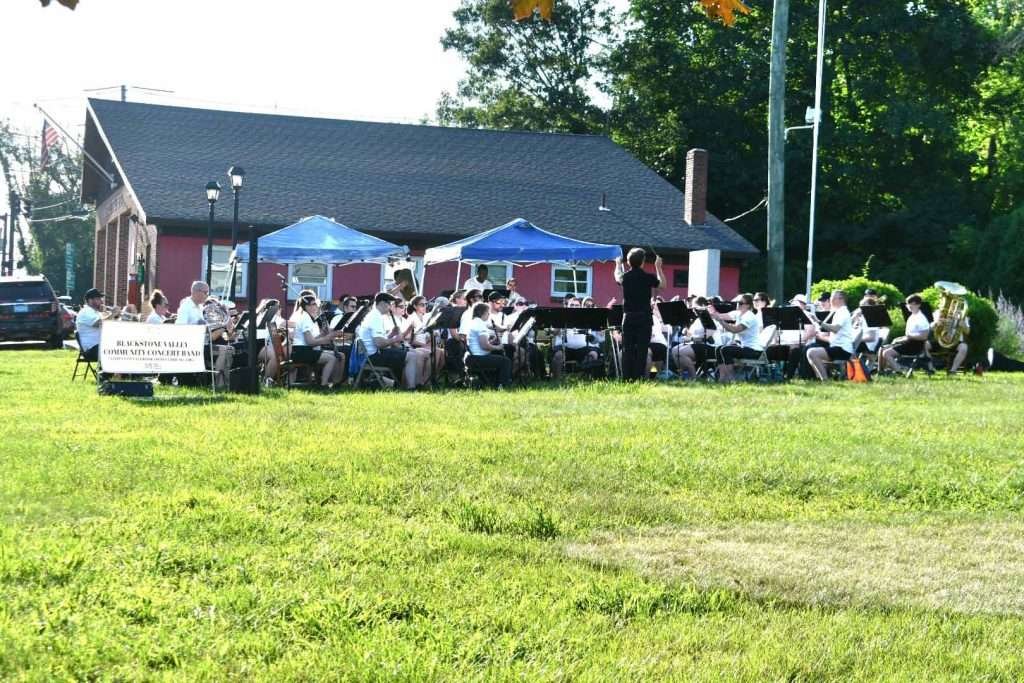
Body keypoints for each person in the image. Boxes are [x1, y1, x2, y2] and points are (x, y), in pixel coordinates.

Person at [614, 248, 664, 380]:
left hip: (628, 317)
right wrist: (658, 267)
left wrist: (618, 264)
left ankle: (626, 378)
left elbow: (617, 276)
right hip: (644, 318)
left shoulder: (625, 277)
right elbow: (663, 285)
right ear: (643, 262)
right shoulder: (648, 277)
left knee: (627, 349)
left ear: (629, 263)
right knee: (642, 350)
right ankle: (638, 378)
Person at [291, 295, 345, 388]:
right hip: (301, 352)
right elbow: (310, 342)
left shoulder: (308, 317)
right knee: (331, 358)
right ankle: (324, 385)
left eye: (315, 304)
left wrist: (323, 335)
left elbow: (313, 340)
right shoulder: (305, 318)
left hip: (304, 350)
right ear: (305, 307)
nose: (314, 307)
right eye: (311, 305)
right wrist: (327, 338)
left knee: (336, 355)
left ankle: (335, 383)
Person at [357, 292, 410, 387]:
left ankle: (399, 384)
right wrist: (395, 339)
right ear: (382, 303)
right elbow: (379, 343)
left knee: (408, 354)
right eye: (390, 304)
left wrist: (391, 334)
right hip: (373, 357)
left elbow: (379, 340)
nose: (391, 307)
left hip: (371, 355)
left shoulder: (374, 315)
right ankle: (409, 386)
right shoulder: (375, 317)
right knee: (410, 356)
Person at [709, 293, 763, 383]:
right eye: (738, 302)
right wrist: (712, 312)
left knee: (725, 350)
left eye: (741, 303)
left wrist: (720, 321)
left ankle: (731, 379)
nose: (738, 304)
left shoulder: (749, 316)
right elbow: (720, 316)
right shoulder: (738, 313)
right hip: (744, 347)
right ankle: (722, 378)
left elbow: (735, 330)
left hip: (754, 350)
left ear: (748, 305)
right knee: (718, 349)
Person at [806, 291, 855, 380]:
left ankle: (824, 379)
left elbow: (835, 329)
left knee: (811, 352)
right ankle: (821, 378)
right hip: (838, 347)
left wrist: (818, 321)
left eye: (832, 298)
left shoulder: (843, 312)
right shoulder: (839, 311)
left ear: (841, 299)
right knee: (810, 352)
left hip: (842, 350)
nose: (831, 300)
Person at [878, 294, 931, 374]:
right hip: (909, 343)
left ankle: (899, 371)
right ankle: (881, 371)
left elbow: (924, 336)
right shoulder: (912, 317)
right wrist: (900, 339)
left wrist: (908, 337)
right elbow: (909, 335)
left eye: (912, 304)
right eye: (908, 303)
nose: (909, 306)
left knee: (886, 353)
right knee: (881, 349)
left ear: (918, 305)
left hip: (915, 346)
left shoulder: (921, 318)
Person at [465, 302, 512, 388]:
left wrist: (493, 341)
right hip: (478, 359)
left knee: (501, 355)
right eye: (488, 312)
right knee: (506, 361)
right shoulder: (479, 325)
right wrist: (498, 347)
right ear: (483, 313)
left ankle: (495, 382)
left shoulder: (475, 322)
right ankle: (502, 386)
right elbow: (484, 346)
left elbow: (482, 344)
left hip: (472, 357)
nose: (489, 314)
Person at [75, 288, 120, 363]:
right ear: (90, 300)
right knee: (120, 352)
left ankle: (119, 374)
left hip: (98, 346)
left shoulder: (95, 312)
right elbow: (99, 324)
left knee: (122, 349)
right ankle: (107, 374)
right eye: (98, 299)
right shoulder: (86, 311)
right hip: (92, 349)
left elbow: (107, 324)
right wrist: (113, 314)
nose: (101, 301)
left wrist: (115, 316)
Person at [931, 307, 971, 375]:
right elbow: (931, 328)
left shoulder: (962, 314)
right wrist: (937, 323)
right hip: (939, 341)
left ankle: (953, 370)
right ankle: (930, 369)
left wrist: (963, 326)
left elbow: (968, 331)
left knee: (964, 347)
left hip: (955, 341)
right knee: (925, 345)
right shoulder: (938, 312)